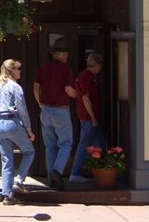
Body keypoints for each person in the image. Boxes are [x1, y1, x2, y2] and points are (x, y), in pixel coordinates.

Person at [0, 59, 35, 205]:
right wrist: (29, 130)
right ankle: (19, 181)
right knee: (29, 151)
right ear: (11, 71)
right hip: (12, 122)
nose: (20, 71)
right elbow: (22, 110)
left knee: (6, 160)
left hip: (0, 124)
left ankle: (7, 195)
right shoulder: (15, 87)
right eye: (18, 69)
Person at [33, 38, 77, 190]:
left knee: (50, 146)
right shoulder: (66, 69)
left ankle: (52, 179)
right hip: (61, 110)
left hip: (45, 110)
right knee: (65, 143)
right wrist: (76, 94)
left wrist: (40, 103)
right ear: (63, 54)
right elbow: (68, 90)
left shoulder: (44, 67)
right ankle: (57, 171)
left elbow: (36, 87)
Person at [69, 53, 105, 183]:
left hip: (88, 116)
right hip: (88, 117)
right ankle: (75, 172)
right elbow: (85, 98)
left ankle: (103, 170)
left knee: (99, 143)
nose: (100, 69)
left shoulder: (84, 76)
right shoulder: (87, 77)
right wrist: (93, 117)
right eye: (99, 66)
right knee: (84, 143)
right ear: (96, 65)